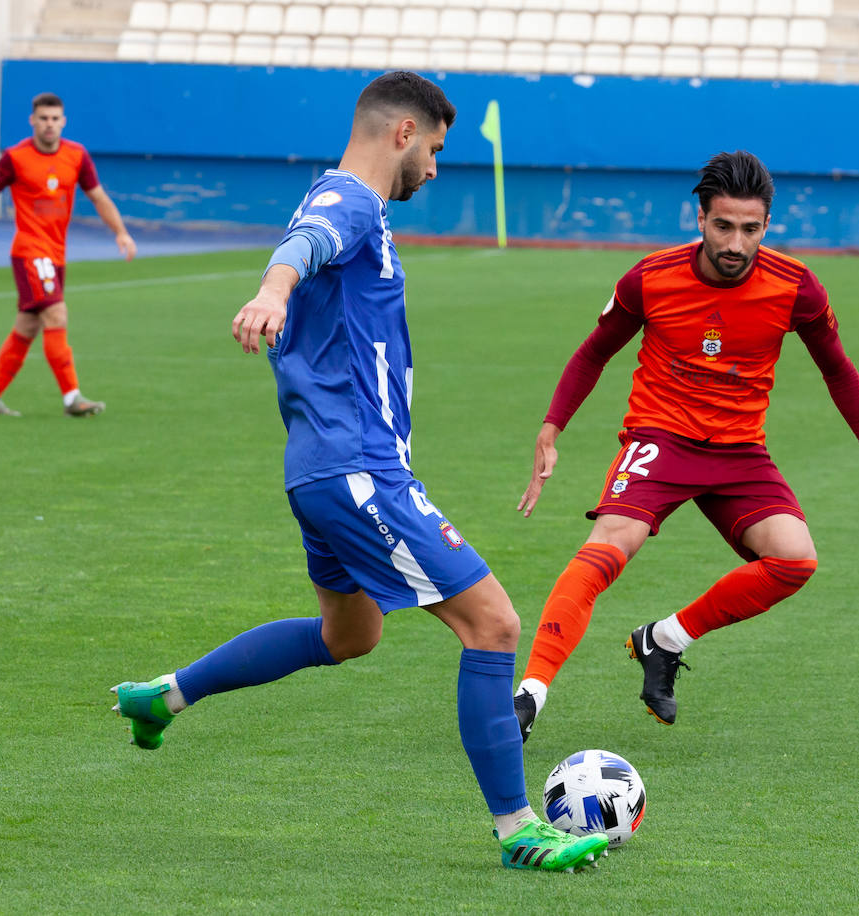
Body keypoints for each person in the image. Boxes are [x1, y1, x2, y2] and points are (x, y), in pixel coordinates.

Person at [110, 72, 608, 873]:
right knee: (495, 626)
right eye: (437, 150)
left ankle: (164, 695)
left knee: (351, 634)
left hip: (317, 472)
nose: (437, 169)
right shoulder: (351, 201)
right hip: (357, 470)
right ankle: (519, 828)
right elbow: (300, 249)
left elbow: (313, 248)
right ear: (403, 133)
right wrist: (271, 291)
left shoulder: (338, 201)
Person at [512, 151, 859, 742]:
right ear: (701, 218)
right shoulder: (651, 277)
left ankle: (664, 640)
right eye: (724, 226)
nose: (736, 243)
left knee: (794, 560)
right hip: (660, 437)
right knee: (609, 547)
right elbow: (594, 351)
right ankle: (529, 696)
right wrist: (552, 428)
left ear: (766, 226)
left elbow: (839, 371)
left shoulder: (795, 287)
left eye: (751, 229)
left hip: (738, 453)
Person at [0, 91, 136, 418]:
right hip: (30, 252)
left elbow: (99, 197)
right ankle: (72, 398)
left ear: (63, 122)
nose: (49, 125)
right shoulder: (15, 157)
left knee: (28, 325)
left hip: (56, 255)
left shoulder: (76, 156)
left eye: (54, 119)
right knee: (56, 315)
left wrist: (120, 231)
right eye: (43, 119)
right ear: (32, 121)